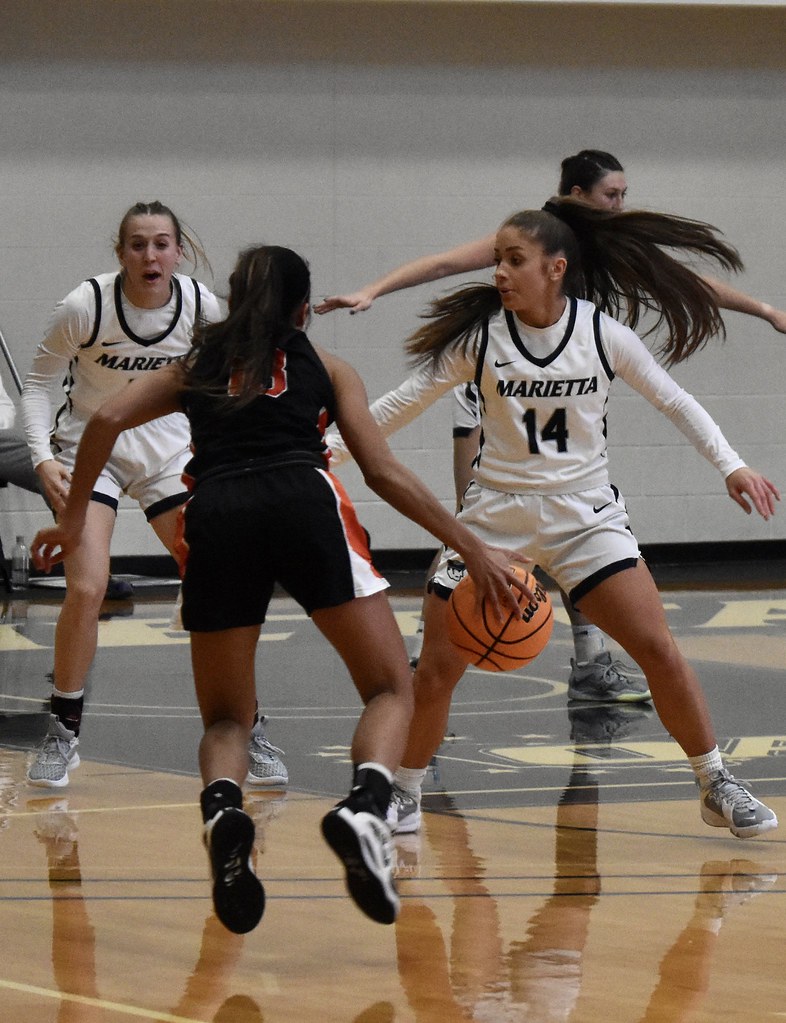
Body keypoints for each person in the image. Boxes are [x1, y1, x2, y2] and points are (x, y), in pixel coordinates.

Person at [29, 243, 528, 933]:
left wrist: (75, 516)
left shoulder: (196, 362)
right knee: (390, 688)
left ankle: (226, 811)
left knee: (227, 719)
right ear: (302, 307)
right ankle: (364, 803)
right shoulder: (326, 366)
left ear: (233, 299)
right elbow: (382, 471)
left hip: (219, 512)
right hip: (302, 500)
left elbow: (107, 421)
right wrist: (473, 545)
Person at [329, 198, 780, 840]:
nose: (500, 274)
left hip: (585, 516)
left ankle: (716, 783)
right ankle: (405, 793)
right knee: (435, 667)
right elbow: (398, 406)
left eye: (515, 261)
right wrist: (323, 454)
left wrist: (731, 464)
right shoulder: (481, 339)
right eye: (497, 261)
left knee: (657, 649)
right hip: (493, 519)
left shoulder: (603, 334)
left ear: (556, 267)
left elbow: (676, 402)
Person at [19, 201, 285, 791]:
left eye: (161, 244)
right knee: (87, 586)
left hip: (170, 451)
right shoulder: (85, 304)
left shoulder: (200, 307)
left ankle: (248, 724)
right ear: (121, 254)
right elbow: (38, 384)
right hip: (92, 449)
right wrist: (42, 458)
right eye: (138, 245)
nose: (150, 255)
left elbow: (229, 383)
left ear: (178, 252)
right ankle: (62, 731)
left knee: (218, 580)